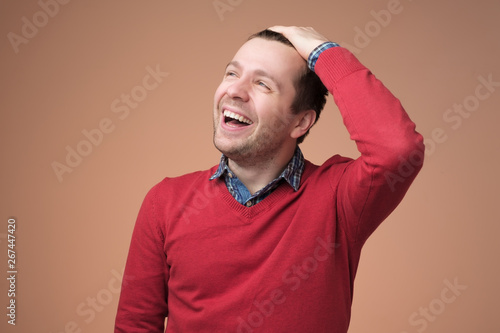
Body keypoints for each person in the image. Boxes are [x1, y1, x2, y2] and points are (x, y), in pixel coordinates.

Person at [114, 26, 424, 333]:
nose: (234, 90)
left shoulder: (339, 199)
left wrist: (322, 51)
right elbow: (135, 326)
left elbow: (398, 150)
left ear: (300, 122)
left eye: (263, 84)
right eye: (232, 74)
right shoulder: (165, 201)